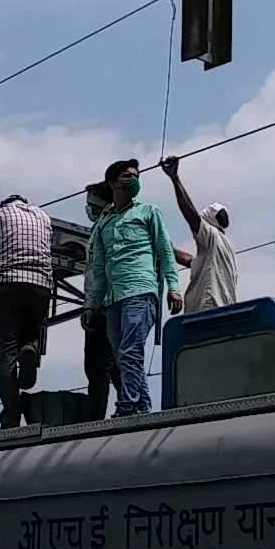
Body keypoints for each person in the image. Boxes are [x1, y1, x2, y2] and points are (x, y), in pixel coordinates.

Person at [86, 159, 182, 417]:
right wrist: (92, 306)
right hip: (113, 298)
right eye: (127, 176)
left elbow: (165, 250)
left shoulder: (148, 212)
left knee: (130, 352)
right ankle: (142, 407)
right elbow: (99, 270)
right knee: (124, 357)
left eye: (136, 176)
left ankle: (127, 405)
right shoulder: (104, 224)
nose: (134, 180)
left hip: (140, 291)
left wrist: (174, 287)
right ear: (112, 182)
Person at [0, 195, 53, 429]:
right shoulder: (43, 216)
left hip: (7, 284)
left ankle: (11, 415)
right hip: (41, 286)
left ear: (4, 203)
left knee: (5, 352)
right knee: (30, 332)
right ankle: (29, 349)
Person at [161, 155, 238, 312]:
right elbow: (191, 261)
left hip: (207, 306)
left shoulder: (211, 235)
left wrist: (175, 178)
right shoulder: (224, 247)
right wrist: (163, 246)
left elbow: (190, 213)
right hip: (223, 309)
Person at [80, 182, 120, 421]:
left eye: (91, 203)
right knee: (115, 363)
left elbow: (99, 273)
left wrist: (90, 307)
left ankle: (95, 417)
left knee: (97, 368)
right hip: (114, 305)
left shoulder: (103, 231)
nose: (89, 209)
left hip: (101, 306)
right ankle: (129, 403)